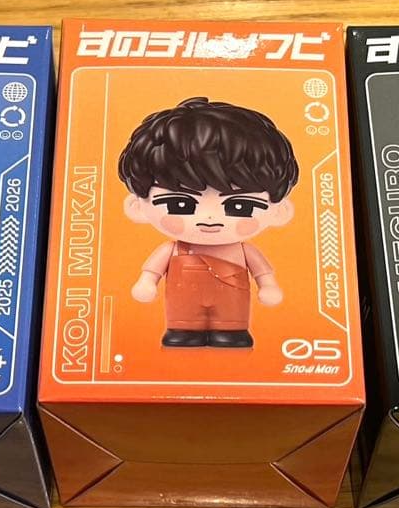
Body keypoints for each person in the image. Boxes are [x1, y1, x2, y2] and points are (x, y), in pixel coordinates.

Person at [118, 97, 299, 348]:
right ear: (137, 207)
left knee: (232, 329)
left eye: (240, 206)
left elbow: (262, 273)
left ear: (280, 211)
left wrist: (268, 286)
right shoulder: (173, 249)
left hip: (232, 303)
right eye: (180, 204)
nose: (209, 218)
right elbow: (152, 272)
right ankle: (183, 331)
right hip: (182, 305)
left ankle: (232, 333)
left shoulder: (243, 250)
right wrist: (146, 282)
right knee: (182, 328)